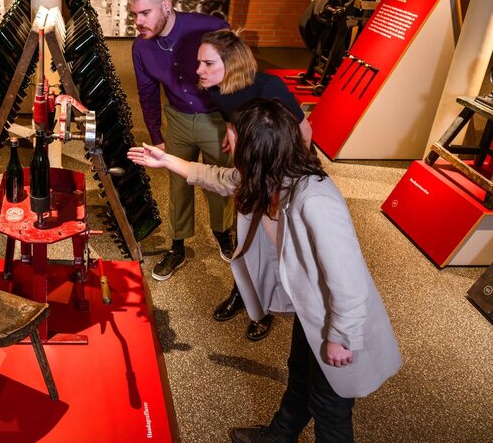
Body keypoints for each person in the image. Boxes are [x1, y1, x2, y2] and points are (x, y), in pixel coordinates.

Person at [128, 98, 401, 443]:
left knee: (330, 407)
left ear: (258, 148)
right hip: (313, 310)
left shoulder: (315, 199)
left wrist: (341, 337)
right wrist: (166, 159)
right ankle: (281, 434)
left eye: (233, 139)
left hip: (340, 319)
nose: (227, 146)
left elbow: (348, 279)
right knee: (299, 375)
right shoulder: (271, 175)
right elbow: (219, 178)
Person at [196, 29, 313, 341]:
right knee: (244, 239)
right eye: (200, 63)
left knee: (271, 248)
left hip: (282, 173)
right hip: (252, 171)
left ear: (231, 65)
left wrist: (282, 183)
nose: (199, 70)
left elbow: (303, 132)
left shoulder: (269, 87)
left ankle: (266, 308)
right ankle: (243, 295)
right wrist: (233, 136)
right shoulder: (217, 88)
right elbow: (233, 119)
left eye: (207, 63)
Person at [129, 0, 232, 282]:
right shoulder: (141, 48)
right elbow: (147, 94)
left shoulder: (210, 28)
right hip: (176, 118)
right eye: (134, 14)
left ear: (166, 5)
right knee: (178, 186)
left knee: (220, 181)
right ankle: (177, 247)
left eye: (145, 13)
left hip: (216, 118)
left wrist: (234, 121)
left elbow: (239, 74)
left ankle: (223, 233)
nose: (138, 21)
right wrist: (156, 135)